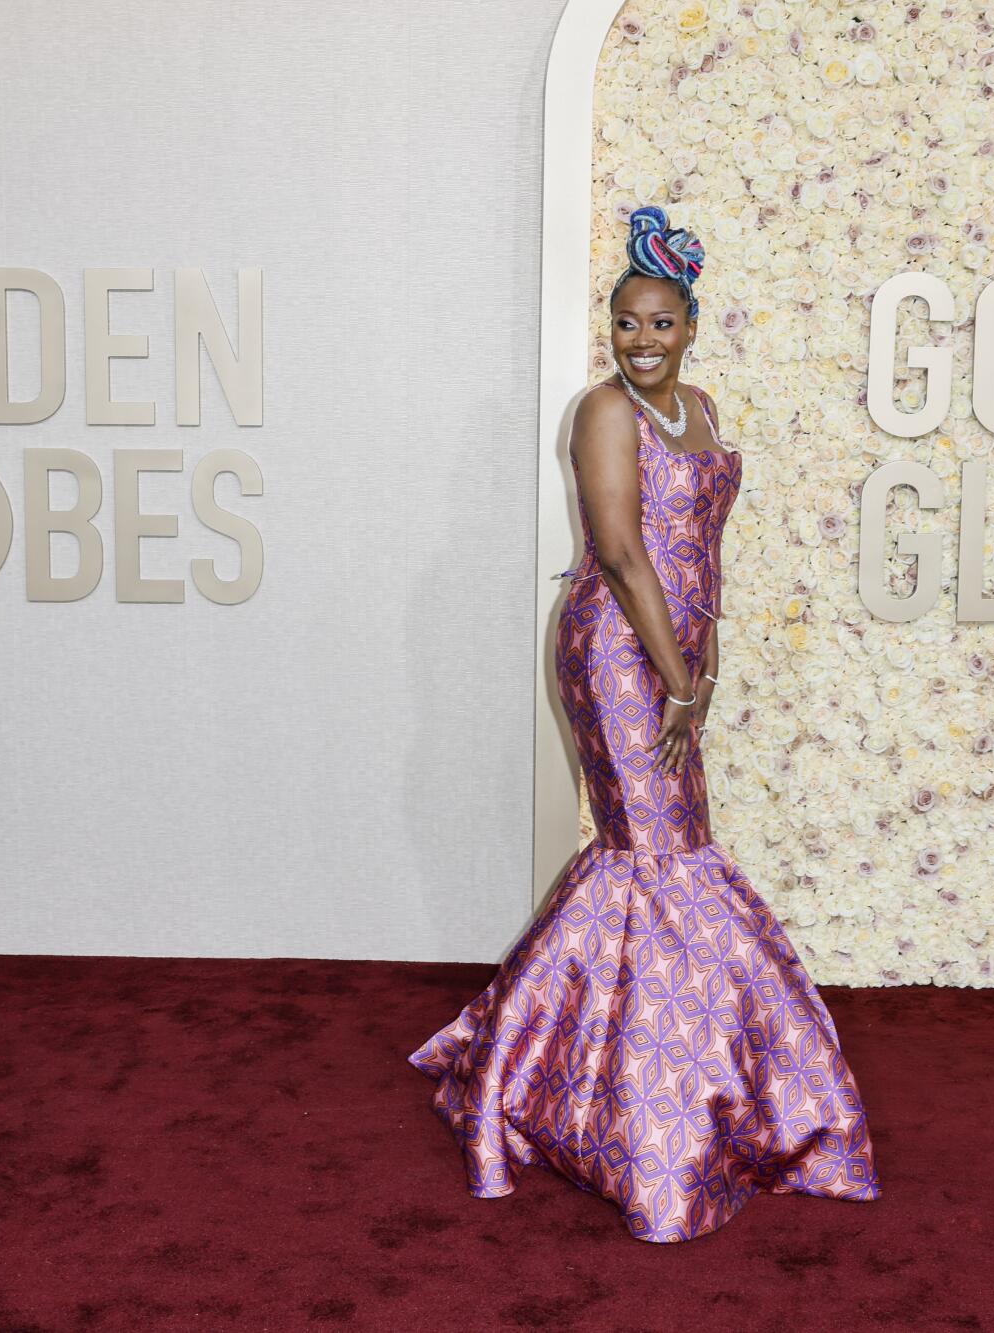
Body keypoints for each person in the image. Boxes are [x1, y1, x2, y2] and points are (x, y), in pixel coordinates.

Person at [409, 205, 881, 1243]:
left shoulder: (700, 407)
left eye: (658, 322)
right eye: (624, 323)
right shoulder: (601, 414)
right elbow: (623, 554)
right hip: (620, 655)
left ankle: (599, 1061)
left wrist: (699, 663)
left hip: (678, 657)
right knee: (655, 855)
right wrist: (676, 682)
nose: (640, 340)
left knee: (660, 857)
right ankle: (628, 1103)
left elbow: (696, 544)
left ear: (689, 326)